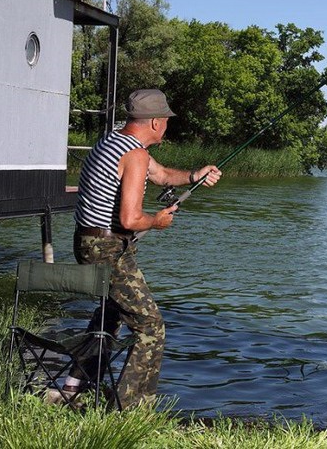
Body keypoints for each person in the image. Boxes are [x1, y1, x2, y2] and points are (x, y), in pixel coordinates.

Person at [58, 88, 222, 408]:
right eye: (167, 121)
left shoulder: (112, 142)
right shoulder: (135, 154)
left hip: (86, 242)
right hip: (106, 249)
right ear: (156, 123)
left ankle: (73, 385)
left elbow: (160, 175)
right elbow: (131, 218)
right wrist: (157, 221)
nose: (168, 126)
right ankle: (130, 408)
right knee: (151, 326)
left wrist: (194, 175)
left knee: (111, 316)